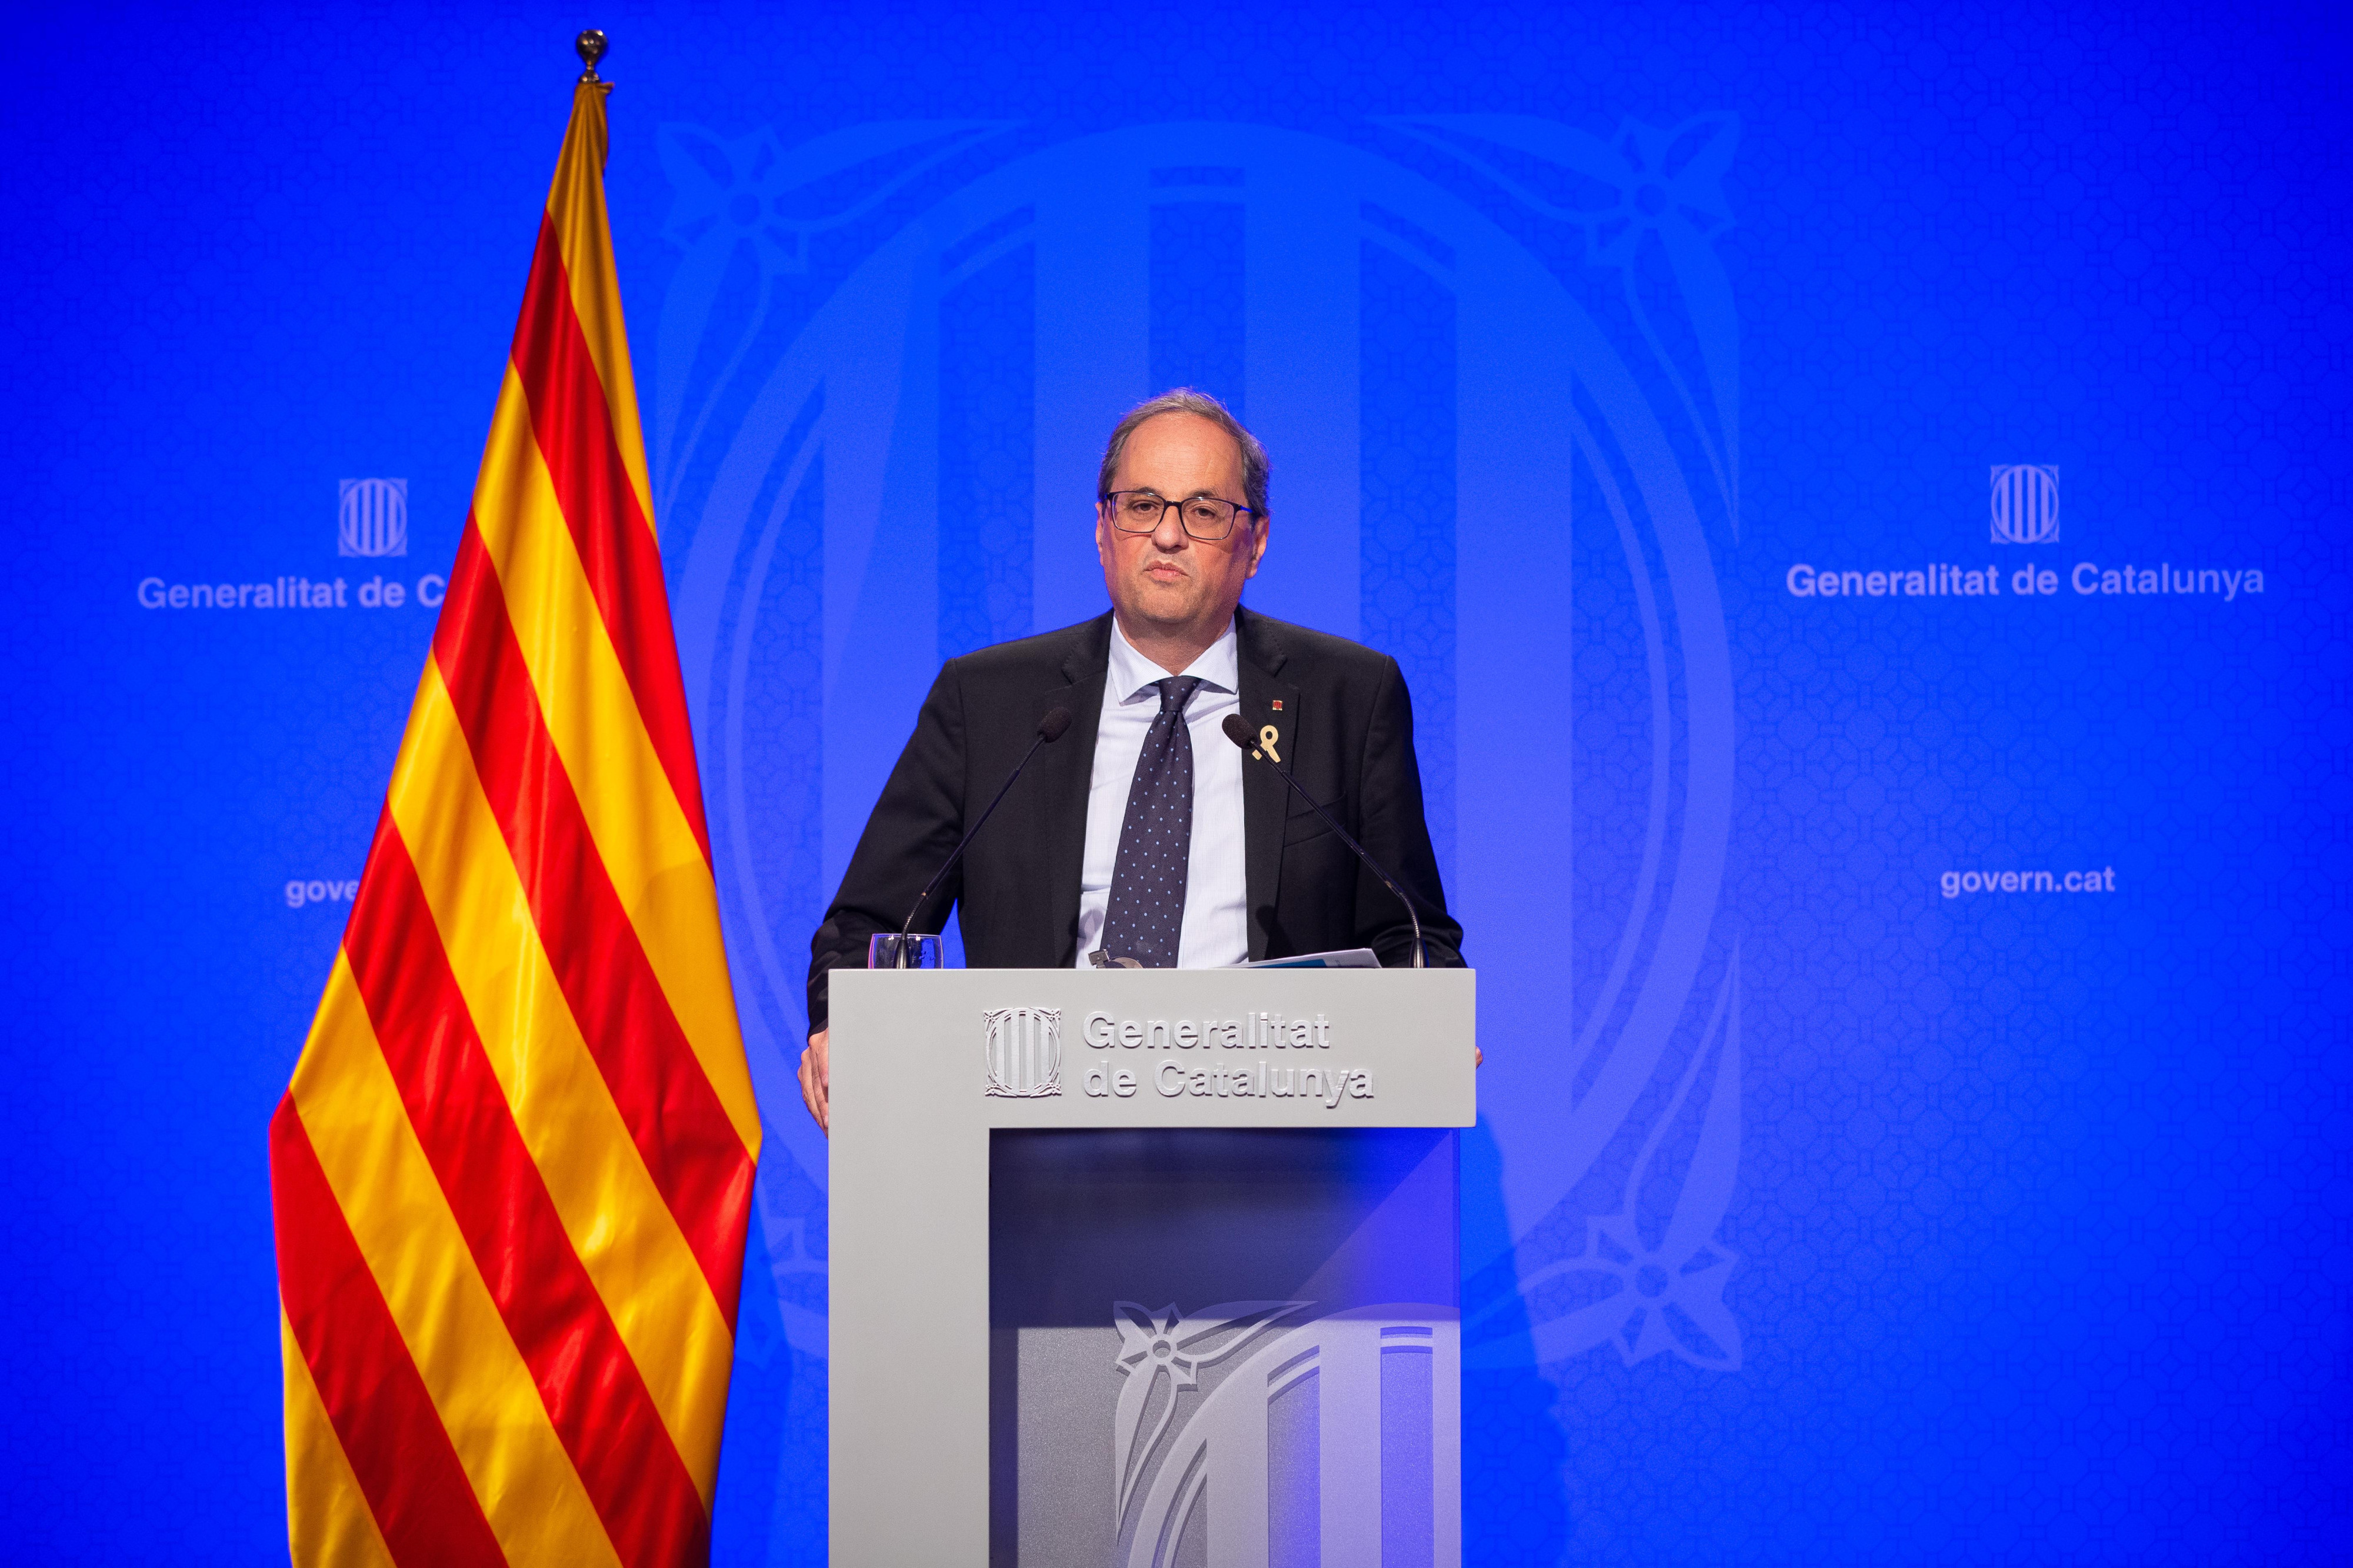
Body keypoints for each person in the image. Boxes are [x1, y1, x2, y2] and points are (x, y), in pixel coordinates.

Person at [796, 389, 1465, 1130]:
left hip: (1275, 1129)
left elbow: (1411, 932)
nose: (1168, 535)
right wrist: (840, 1023)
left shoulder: (1350, 694)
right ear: (1103, 528)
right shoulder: (990, 700)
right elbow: (871, 923)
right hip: (1031, 1119)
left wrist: (1426, 1016)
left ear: (1257, 542)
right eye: (1142, 505)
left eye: (1205, 510)